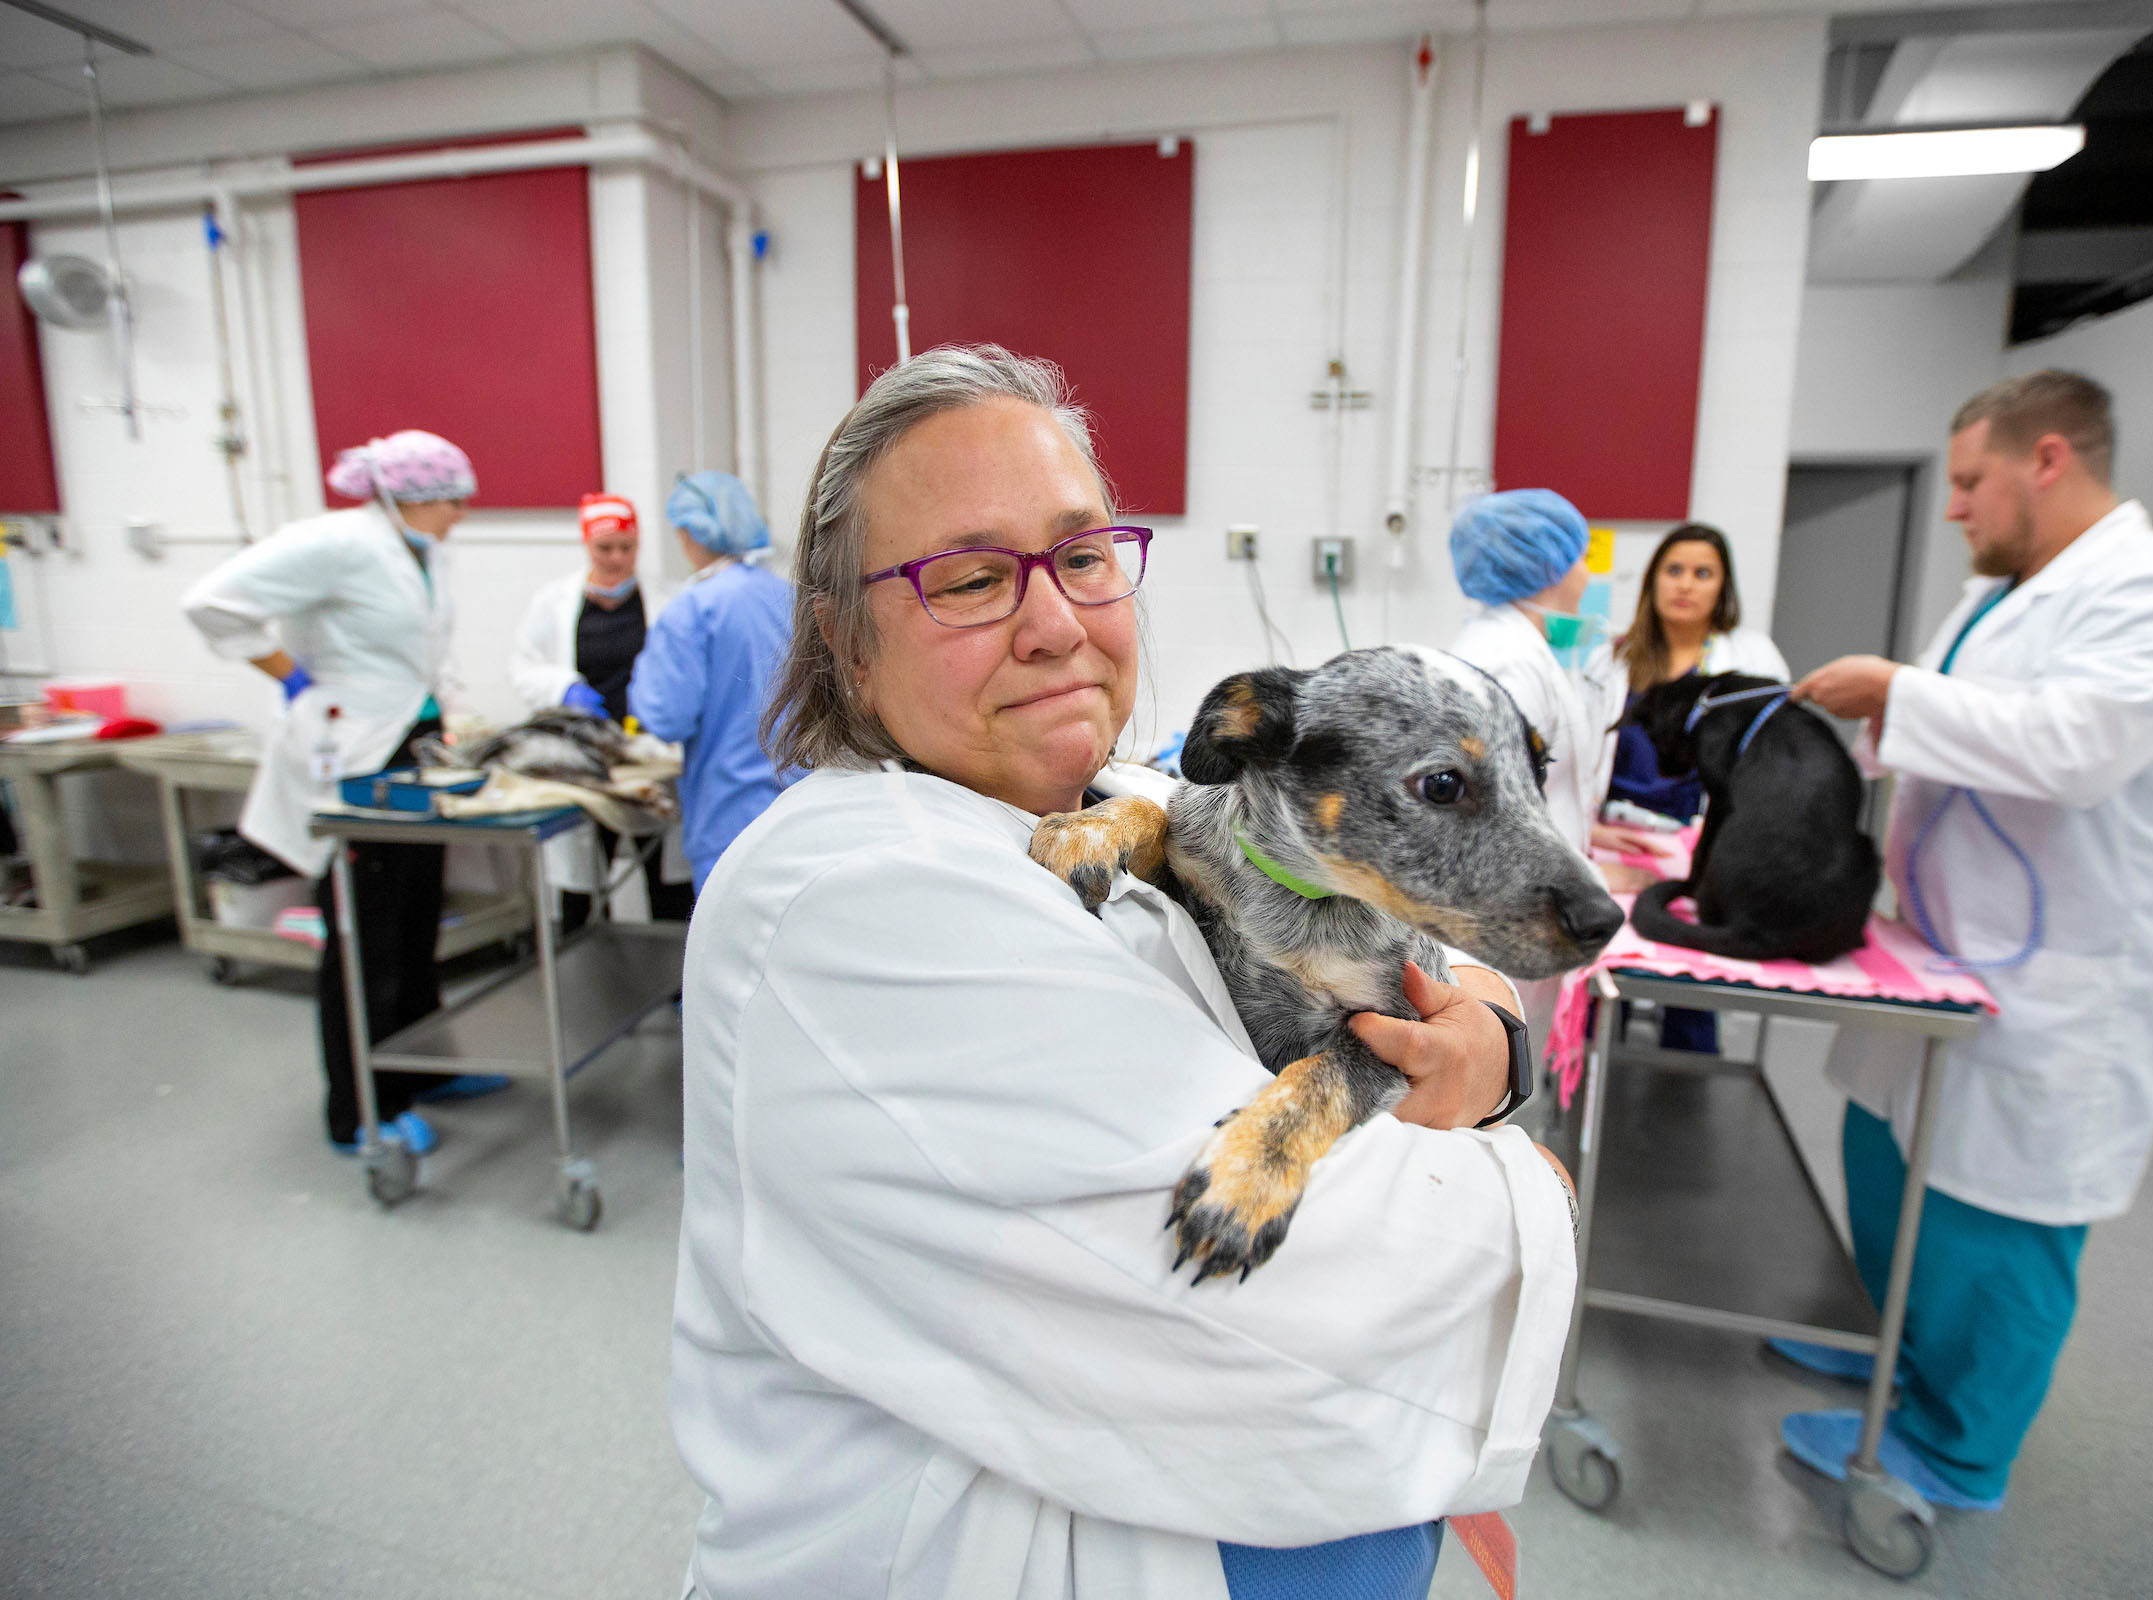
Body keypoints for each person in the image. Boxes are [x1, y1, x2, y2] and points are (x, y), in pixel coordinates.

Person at [671, 346, 1578, 1599]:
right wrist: (1525, 1177)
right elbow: (1311, 1295)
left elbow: (1432, 965)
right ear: (845, 643)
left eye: (1084, 556)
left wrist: (1498, 1047)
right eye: (973, 578)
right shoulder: (851, 900)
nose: (1056, 624)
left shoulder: (1134, 801)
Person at [1782, 370, 2153, 1511]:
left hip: (2063, 976)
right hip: (1942, 945)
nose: (1956, 509)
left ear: (2048, 458)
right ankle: (1893, 1353)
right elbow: (1957, 729)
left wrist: (1895, 688)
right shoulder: (2002, 593)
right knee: (1889, 1161)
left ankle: (1955, 1444)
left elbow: (2077, 749)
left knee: (1999, 1212)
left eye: (1971, 481)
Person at [182, 429, 481, 1155]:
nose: (463, 515)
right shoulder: (338, 541)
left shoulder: (423, 550)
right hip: (350, 762)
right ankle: (359, 1109)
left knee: (414, 920)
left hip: (407, 752)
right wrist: (291, 676)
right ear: (413, 495)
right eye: (453, 500)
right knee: (364, 936)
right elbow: (212, 602)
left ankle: (420, 1069)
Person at [1445, 487, 1624, 1055]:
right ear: (1547, 564)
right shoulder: (1511, 661)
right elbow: (1494, 810)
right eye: (1579, 556)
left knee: (1506, 1068)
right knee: (1493, 1073)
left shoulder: (1519, 646)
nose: (1586, 572)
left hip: (1522, 907)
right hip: (1508, 913)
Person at [1599, 522, 1788, 1052]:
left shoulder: (1751, 658)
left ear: (1722, 588)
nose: (1685, 584)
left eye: (1702, 573)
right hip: (1618, 839)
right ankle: (1591, 1068)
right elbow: (1584, 753)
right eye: (1673, 570)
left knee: (1690, 968)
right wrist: (1591, 824)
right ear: (1653, 582)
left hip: (1698, 838)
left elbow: (1767, 757)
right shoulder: (1616, 658)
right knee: (1606, 968)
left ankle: (1686, 1068)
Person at [510, 492, 693, 929]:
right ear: (586, 545)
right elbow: (522, 666)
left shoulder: (667, 601)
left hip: (648, 755)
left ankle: (675, 985)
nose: (617, 558)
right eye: (604, 548)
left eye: (626, 547)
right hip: (584, 758)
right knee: (582, 882)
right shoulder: (553, 602)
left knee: (666, 881)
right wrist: (564, 686)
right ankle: (583, 981)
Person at [626, 472, 799, 894]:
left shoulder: (692, 611)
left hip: (730, 815)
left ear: (686, 534)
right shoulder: (791, 599)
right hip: (802, 807)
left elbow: (666, 717)